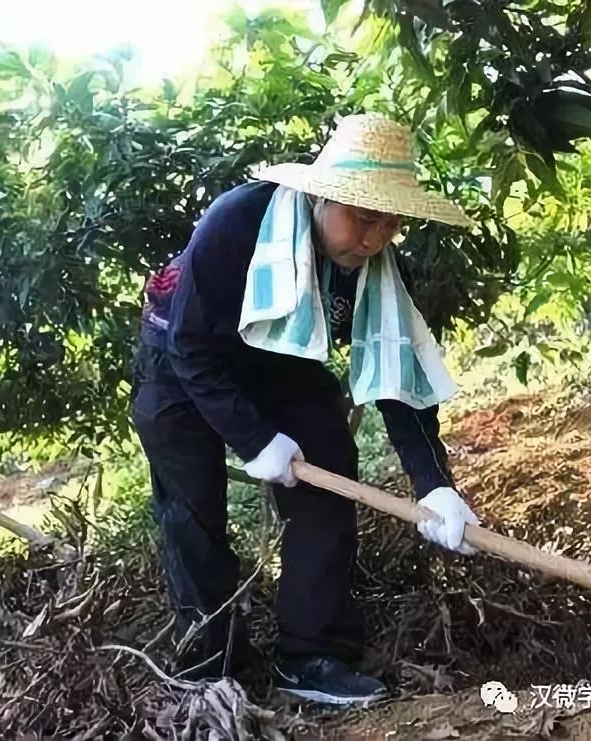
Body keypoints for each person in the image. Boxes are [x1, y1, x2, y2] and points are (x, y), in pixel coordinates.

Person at [130, 113, 481, 705]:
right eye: (362, 218)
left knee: (330, 470)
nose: (373, 239)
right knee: (192, 512)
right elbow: (190, 347)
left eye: (389, 223)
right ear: (320, 196)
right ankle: (213, 668)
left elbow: (398, 376)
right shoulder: (236, 223)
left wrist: (434, 485)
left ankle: (311, 655)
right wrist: (254, 438)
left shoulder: (381, 269)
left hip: (282, 360)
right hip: (180, 361)